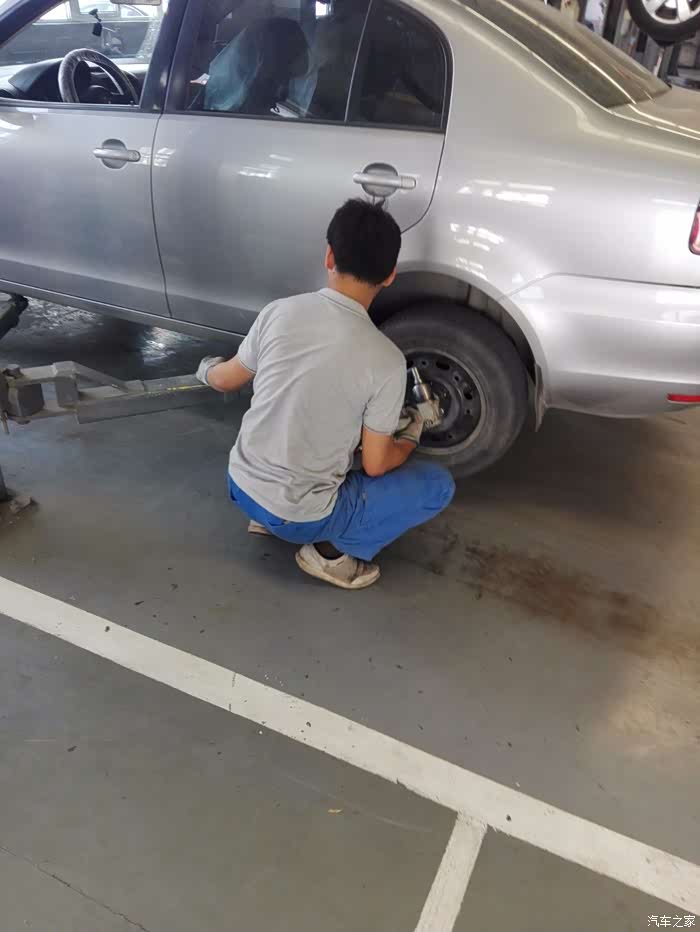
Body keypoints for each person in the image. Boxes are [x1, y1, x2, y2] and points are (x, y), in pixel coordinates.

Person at [196, 199, 455, 590]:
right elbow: (376, 466)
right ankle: (328, 554)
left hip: (240, 486)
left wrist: (205, 368)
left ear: (329, 256)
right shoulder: (386, 360)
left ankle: (265, 519)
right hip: (300, 517)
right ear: (390, 276)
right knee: (437, 484)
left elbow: (225, 380)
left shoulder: (279, 311)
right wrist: (410, 435)